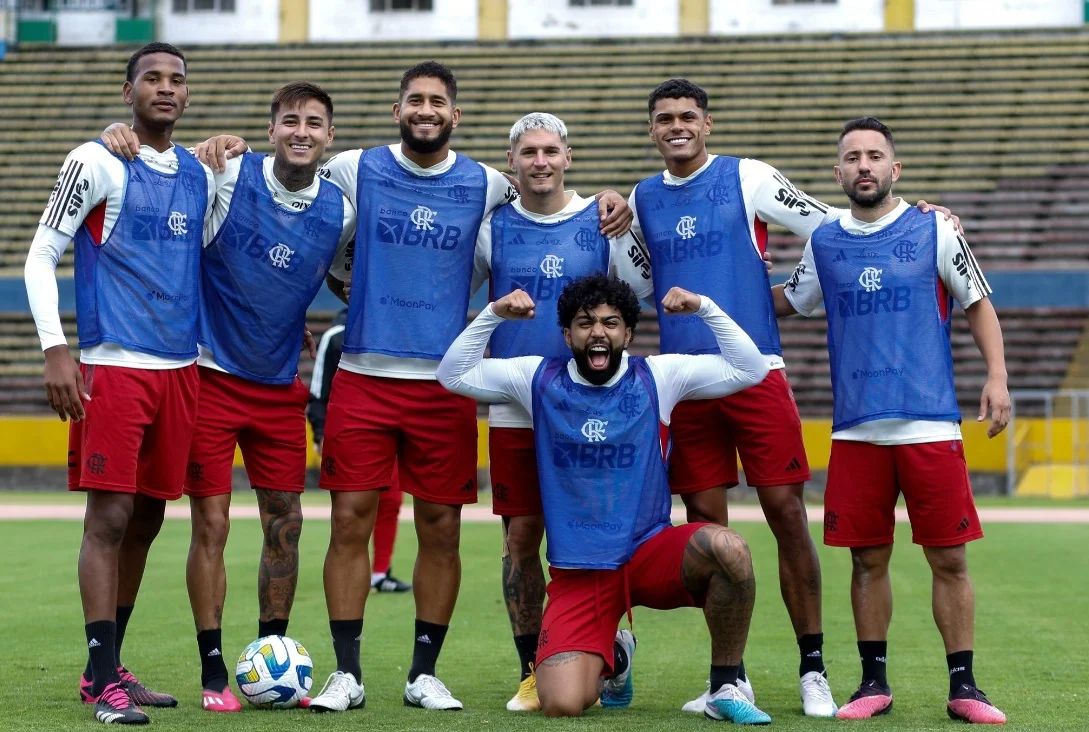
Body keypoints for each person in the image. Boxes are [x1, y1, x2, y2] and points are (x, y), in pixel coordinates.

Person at [628, 78, 960, 716]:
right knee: (707, 532)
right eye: (665, 118)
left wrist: (921, 218)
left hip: (756, 373)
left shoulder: (748, 178)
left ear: (708, 122)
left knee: (785, 514)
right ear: (651, 129)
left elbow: (835, 220)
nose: (677, 126)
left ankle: (814, 669)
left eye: (688, 116)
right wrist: (610, 206)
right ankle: (731, 677)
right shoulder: (644, 199)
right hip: (685, 380)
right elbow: (636, 273)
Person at [100, 80, 357, 712]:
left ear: (330, 136)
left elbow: (346, 280)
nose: (302, 131)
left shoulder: (341, 212)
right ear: (271, 130)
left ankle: (274, 657)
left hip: (278, 389)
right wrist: (115, 144)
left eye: (315, 123)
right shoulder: (226, 173)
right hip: (210, 379)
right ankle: (214, 669)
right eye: (290, 120)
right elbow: (164, 179)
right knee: (210, 523)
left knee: (286, 524)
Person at [437, 274, 771, 723]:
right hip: (580, 572)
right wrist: (494, 314)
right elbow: (451, 373)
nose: (598, 332)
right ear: (567, 334)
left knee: (729, 549)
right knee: (561, 704)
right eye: (584, 322)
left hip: (648, 552)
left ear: (628, 333)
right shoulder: (536, 378)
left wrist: (705, 307)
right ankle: (617, 656)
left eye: (611, 322)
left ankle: (725, 685)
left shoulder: (658, 376)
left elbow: (752, 369)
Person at [771, 116, 1009, 725]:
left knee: (949, 560)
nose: (864, 166)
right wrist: (703, 291)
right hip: (855, 431)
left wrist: (997, 377)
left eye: (875, 155)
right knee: (865, 561)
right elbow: (789, 302)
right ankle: (872, 684)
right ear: (838, 173)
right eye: (852, 157)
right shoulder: (824, 240)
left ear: (895, 168)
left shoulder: (934, 229)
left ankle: (965, 688)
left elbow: (977, 302)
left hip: (930, 425)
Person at [24, 42, 215, 725]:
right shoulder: (95, 159)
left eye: (176, 80)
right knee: (107, 518)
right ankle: (105, 683)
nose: (166, 89)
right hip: (115, 366)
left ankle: (102, 669)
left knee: (148, 517)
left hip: (179, 369)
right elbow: (42, 255)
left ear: (187, 95)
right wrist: (56, 349)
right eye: (152, 79)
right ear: (127, 88)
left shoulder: (196, 173)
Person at [471, 112, 654, 712]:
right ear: (513, 162)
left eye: (551, 150)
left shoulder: (603, 221)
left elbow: (641, 295)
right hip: (518, 405)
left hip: (594, 405)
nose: (541, 161)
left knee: (603, 538)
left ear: (568, 157)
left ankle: (609, 645)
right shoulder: (492, 228)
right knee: (521, 539)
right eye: (529, 152)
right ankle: (532, 668)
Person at [308, 309, 411, 594]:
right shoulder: (336, 335)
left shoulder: (390, 325)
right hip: (349, 427)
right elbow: (319, 388)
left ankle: (379, 573)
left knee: (390, 501)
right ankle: (349, 569)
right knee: (350, 507)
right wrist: (319, 431)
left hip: (387, 428)